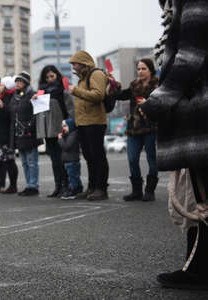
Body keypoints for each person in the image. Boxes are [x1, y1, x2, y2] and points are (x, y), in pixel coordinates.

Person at [139, 0, 208, 290]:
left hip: (199, 110)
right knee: (200, 197)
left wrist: (159, 101)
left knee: (203, 196)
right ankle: (198, 267)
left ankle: (198, 270)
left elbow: (190, 56)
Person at [114, 59, 159, 202]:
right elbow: (121, 95)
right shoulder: (134, 85)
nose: (140, 71)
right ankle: (137, 191)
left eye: (143, 69)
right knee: (132, 159)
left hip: (151, 126)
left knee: (152, 159)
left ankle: (150, 191)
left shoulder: (158, 86)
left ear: (150, 70)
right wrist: (113, 84)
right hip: (134, 127)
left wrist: (148, 103)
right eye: (138, 69)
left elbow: (164, 104)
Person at [69, 50, 109, 201]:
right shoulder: (82, 78)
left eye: (75, 63)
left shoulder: (96, 74)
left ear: (83, 63)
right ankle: (92, 187)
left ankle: (101, 188)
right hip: (83, 123)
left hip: (95, 122)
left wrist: (76, 91)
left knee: (98, 156)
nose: (73, 67)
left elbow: (98, 95)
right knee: (89, 157)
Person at [34, 65, 69, 197]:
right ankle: (58, 186)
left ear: (57, 75)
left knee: (62, 158)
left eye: (52, 76)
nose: (49, 79)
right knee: (54, 159)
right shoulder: (41, 90)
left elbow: (67, 106)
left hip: (60, 126)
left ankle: (66, 185)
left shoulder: (62, 88)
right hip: (47, 127)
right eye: (47, 77)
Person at [12, 71, 42, 196]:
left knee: (32, 161)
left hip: (30, 132)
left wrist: (30, 126)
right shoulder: (16, 96)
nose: (17, 83)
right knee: (24, 162)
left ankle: (33, 186)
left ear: (25, 83)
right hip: (19, 133)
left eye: (20, 81)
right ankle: (29, 184)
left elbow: (38, 112)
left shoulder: (32, 94)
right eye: (16, 81)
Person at [0, 76, 18, 194]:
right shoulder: (3, 97)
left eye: (1, 84)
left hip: (7, 134)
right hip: (2, 133)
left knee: (9, 160)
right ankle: (11, 185)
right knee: (5, 160)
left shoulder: (11, 97)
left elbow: (9, 115)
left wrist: (2, 107)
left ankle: (13, 185)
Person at [58, 118, 83, 199]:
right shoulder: (69, 135)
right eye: (62, 126)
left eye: (65, 126)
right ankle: (78, 188)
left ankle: (74, 190)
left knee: (72, 177)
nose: (63, 128)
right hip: (69, 160)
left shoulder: (73, 135)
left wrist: (60, 139)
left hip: (72, 160)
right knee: (73, 176)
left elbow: (66, 146)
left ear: (71, 126)